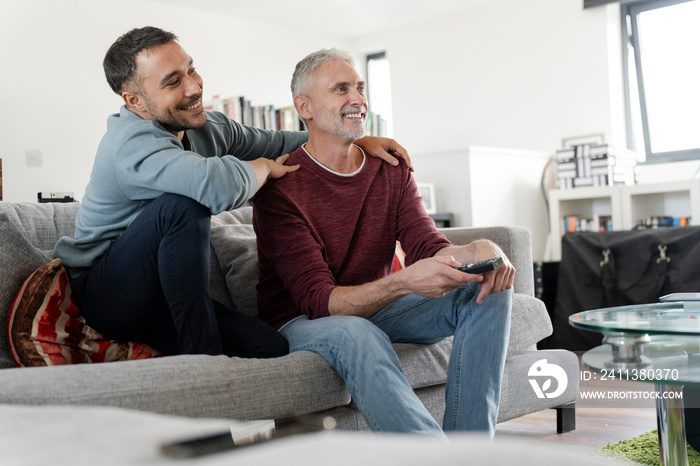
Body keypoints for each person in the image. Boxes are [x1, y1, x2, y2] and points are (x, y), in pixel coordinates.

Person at [54, 27, 409, 359]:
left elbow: (282, 142)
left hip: (164, 297)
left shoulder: (209, 127)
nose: (193, 87)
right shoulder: (129, 144)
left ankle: (203, 365)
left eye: (191, 70)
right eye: (173, 82)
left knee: (270, 346)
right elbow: (213, 188)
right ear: (135, 101)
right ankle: (204, 362)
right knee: (181, 205)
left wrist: (353, 140)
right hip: (107, 292)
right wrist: (260, 168)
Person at [253, 48, 515, 437]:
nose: (358, 99)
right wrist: (404, 282)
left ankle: (470, 451)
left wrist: (476, 252)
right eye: (341, 89)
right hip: (304, 320)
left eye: (359, 87)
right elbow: (320, 302)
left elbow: (426, 244)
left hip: (377, 308)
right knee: (356, 331)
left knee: (490, 286)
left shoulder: (389, 169)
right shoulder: (282, 189)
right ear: (304, 106)